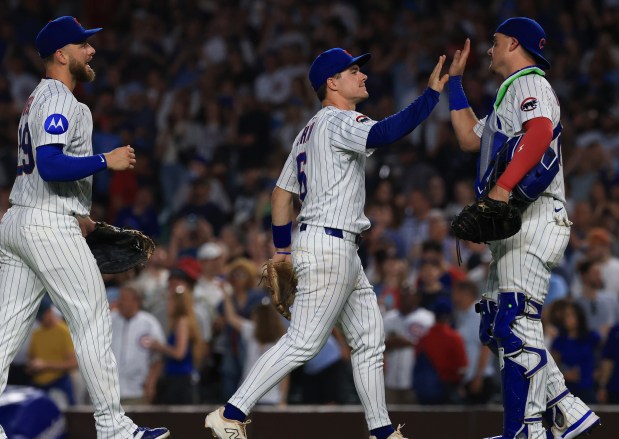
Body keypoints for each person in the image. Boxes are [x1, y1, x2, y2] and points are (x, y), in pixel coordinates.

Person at [205, 47, 448, 439]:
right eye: (354, 71)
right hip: (329, 245)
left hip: (335, 248)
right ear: (332, 83)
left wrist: (283, 250)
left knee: (370, 339)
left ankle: (382, 431)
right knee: (303, 342)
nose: (363, 76)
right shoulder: (338, 120)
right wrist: (431, 95)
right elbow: (386, 132)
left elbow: (281, 196)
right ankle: (231, 413)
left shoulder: (307, 132)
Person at [0, 16, 169, 439]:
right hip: (45, 226)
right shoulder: (59, 98)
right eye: (83, 45)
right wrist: (103, 161)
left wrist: (82, 216)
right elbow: (51, 164)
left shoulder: (38, 98)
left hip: (21, 219)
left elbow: (43, 173)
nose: (91, 51)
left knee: (4, 332)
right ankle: (113, 427)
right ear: (62, 54)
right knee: (93, 320)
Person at [448, 17, 600, 439]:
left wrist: (501, 186)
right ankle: (567, 411)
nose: (490, 49)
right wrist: (455, 85)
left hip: (535, 214)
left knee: (514, 320)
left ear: (513, 42)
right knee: (497, 322)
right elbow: (466, 138)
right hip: (520, 219)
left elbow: (539, 134)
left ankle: (527, 429)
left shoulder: (530, 83)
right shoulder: (507, 96)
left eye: (495, 42)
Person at [111, 284, 166, 405]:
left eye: (124, 299)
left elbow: (158, 359)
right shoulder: (108, 320)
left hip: (137, 391)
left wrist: (151, 384)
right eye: (120, 298)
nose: (119, 302)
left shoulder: (149, 323)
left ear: (137, 301)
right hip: (109, 393)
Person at [27, 296, 77, 408]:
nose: (40, 321)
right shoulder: (36, 333)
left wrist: (46, 365)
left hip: (59, 383)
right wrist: (32, 367)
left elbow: (73, 363)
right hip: (38, 385)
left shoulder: (64, 332)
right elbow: (30, 359)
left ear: (49, 311)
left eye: (42, 317)